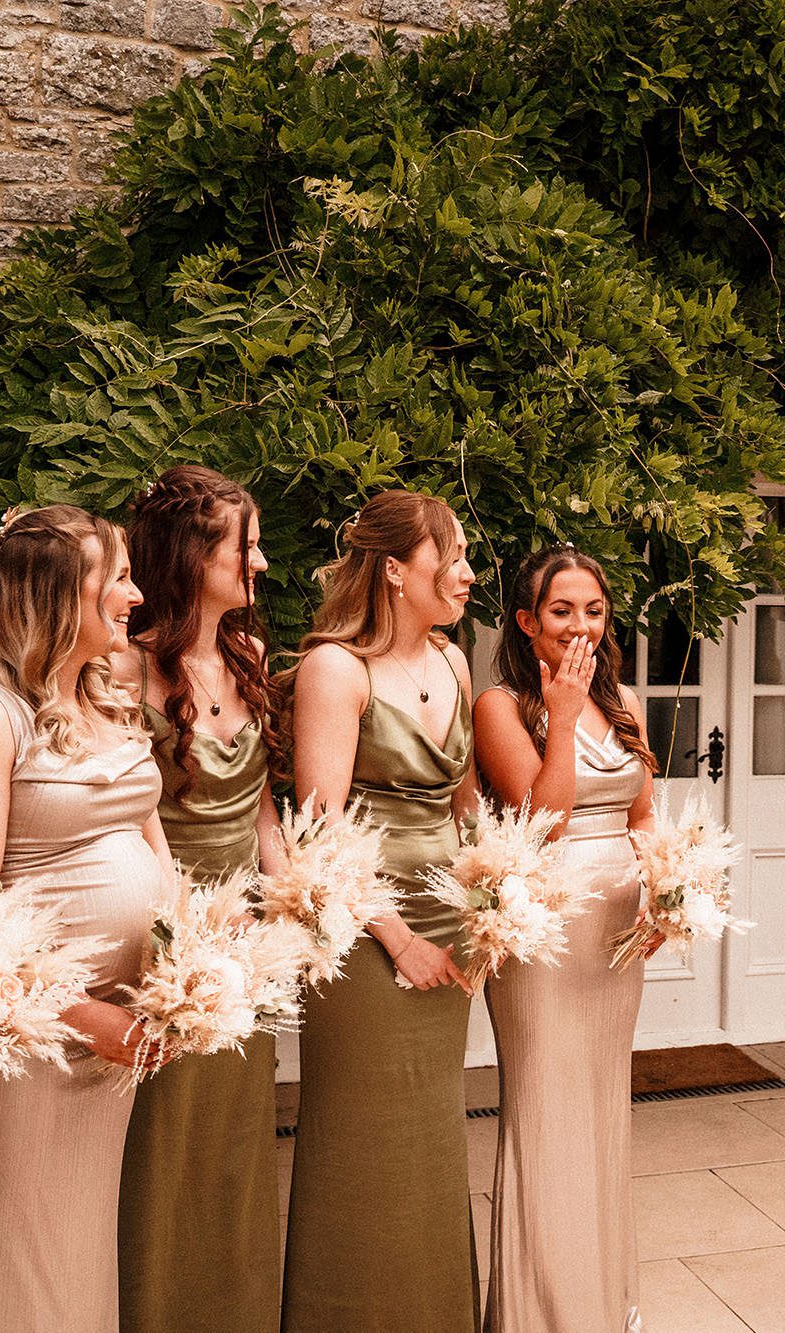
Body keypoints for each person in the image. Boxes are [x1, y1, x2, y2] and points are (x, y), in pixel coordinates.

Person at [0, 505, 174, 1331]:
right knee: (15, 1240)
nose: (136, 595)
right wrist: (85, 1015)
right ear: (64, 592)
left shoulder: (115, 700)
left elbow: (158, 853)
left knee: (77, 1240)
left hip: (122, 1025)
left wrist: (187, 968)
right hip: (29, 1032)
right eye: (121, 577)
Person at [281, 489, 480, 1333]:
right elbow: (316, 834)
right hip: (366, 937)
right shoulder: (336, 669)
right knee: (364, 1135)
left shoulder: (455, 661)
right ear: (397, 569)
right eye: (453, 556)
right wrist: (399, 941)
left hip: (449, 923)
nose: (468, 574)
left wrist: (497, 894)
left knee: (435, 1136)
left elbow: (465, 804)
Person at [115, 466, 283, 1333]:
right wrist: (187, 928)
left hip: (247, 934)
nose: (259, 561)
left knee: (235, 1149)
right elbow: (122, 812)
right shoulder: (127, 664)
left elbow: (259, 806)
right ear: (191, 555)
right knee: (164, 1145)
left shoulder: (248, 656)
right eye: (242, 544)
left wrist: (294, 896)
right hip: (162, 936)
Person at [475, 544, 659, 1333]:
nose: (579, 625)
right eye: (560, 610)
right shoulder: (502, 705)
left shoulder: (624, 703)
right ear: (525, 621)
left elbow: (644, 813)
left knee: (601, 1107)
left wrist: (663, 893)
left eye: (593, 609)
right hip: (544, 938)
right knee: (547, 1112)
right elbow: (541, 821)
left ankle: (601, 1302)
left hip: (617, 941)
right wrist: (559, 709)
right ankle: (541, 1314)